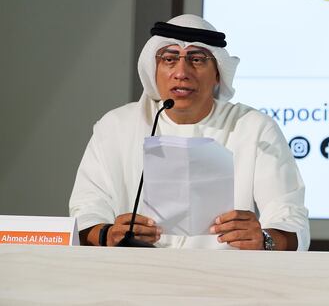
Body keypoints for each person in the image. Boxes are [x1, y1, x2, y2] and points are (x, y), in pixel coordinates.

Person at [69, 14, 310, 250]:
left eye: (197, 59)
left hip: (226, 280)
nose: (182, 72)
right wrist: (106, 234)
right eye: (169, 59)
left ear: (218, 73)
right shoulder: (116, 127)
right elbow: (86, 212)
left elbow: (289, 218)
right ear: (154, 70)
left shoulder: (254, 127)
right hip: (136, 277)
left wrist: (265, 239)